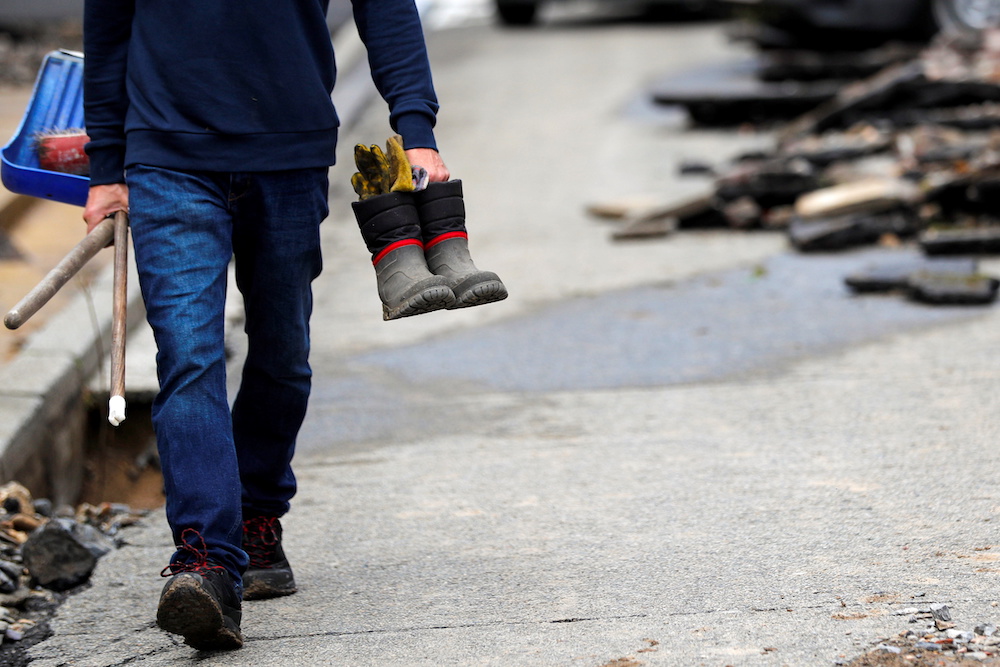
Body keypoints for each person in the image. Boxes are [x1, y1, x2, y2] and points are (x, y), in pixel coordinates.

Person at [82, 0, 448, 651]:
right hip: (168, 152)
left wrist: (415, 128)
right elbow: (109, 21)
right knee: (189, 357)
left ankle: (256, 512)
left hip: (289, 151)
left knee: (282, 354)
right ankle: (206, 562)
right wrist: (107, 164)